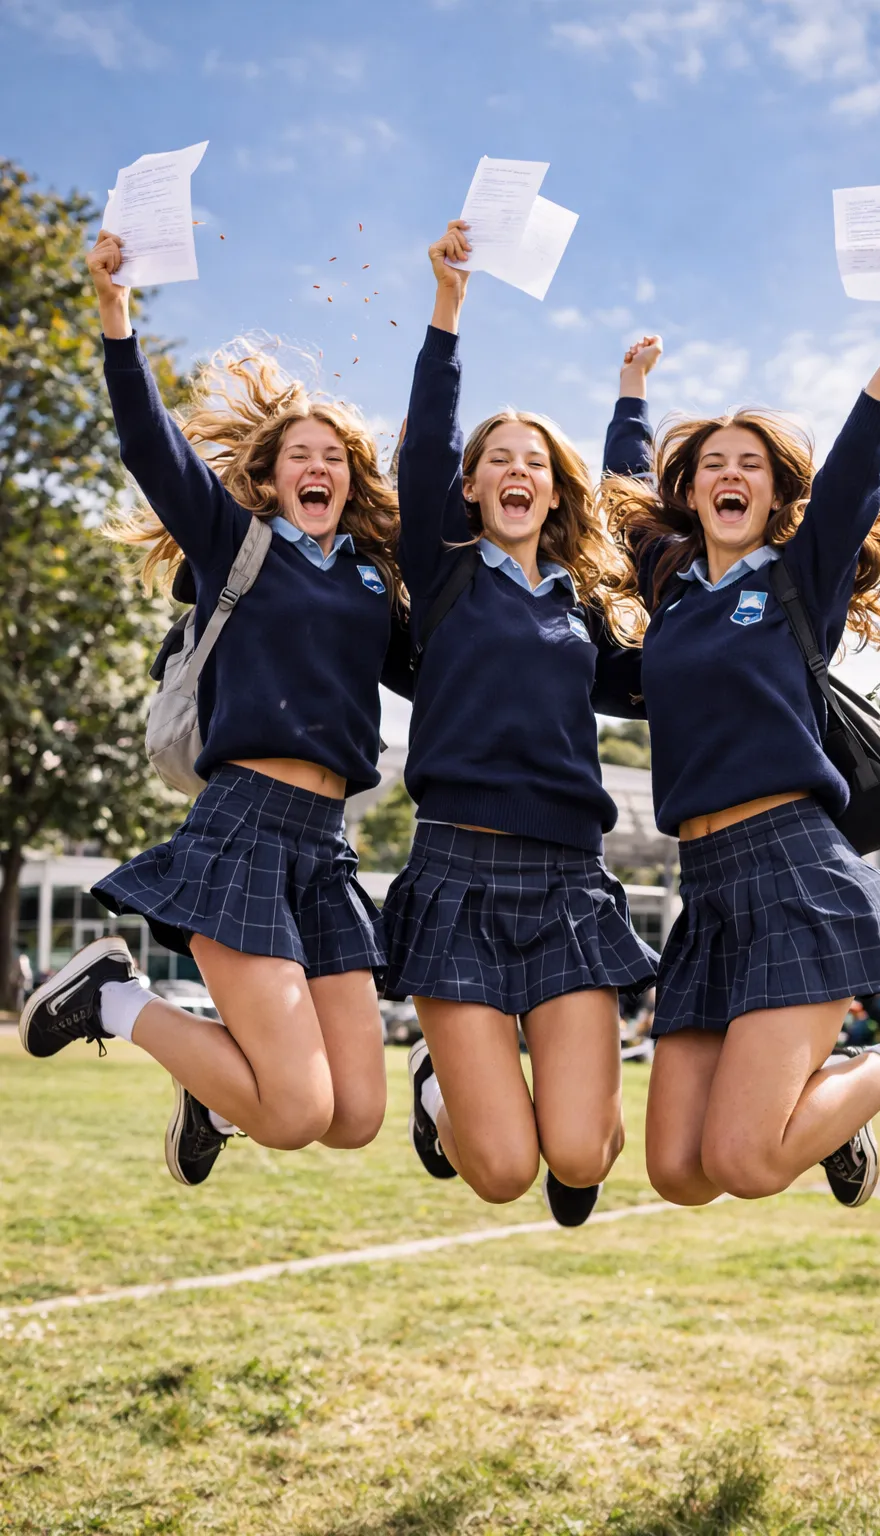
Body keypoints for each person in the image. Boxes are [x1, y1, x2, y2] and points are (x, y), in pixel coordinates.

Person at [603, 233, 880, 1212]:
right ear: (691, 490)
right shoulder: (673, 589)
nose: (730, 474)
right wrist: (631, 391)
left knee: (749, 1164)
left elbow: (863, 447)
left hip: (795, 870)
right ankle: (834, 1103)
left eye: (750, 464)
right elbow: (625, 494)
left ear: (775, 491)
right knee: (679, 1174)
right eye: (713, 464)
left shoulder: (799, 577)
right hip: (705, 885)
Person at [19, 228, 407, 1187]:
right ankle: (113, 998)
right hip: (244, 828)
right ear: (271, 479)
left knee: (356, 1117)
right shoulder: (238, 542)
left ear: (350, 479)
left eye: (334, 457)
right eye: (299, 455)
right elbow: (150, 448)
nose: (318, 467)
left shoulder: (371, 581)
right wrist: (115, 315)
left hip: (327, 848)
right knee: (297, 1113)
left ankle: (212, 1088)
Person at [387, 219, 658, 1228]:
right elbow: (424, 439)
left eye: (533, 461)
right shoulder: (445, 575)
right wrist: (448, 306)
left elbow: (631, 515)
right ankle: (437, 1089)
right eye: (496, 459)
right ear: (470, 488)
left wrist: (630, 400)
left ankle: (537, 1117)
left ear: (551, 489)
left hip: (568, 880)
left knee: (582, 1155)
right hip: (456, 871)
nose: (516, 469)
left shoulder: (580, 606)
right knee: (501, 1171)